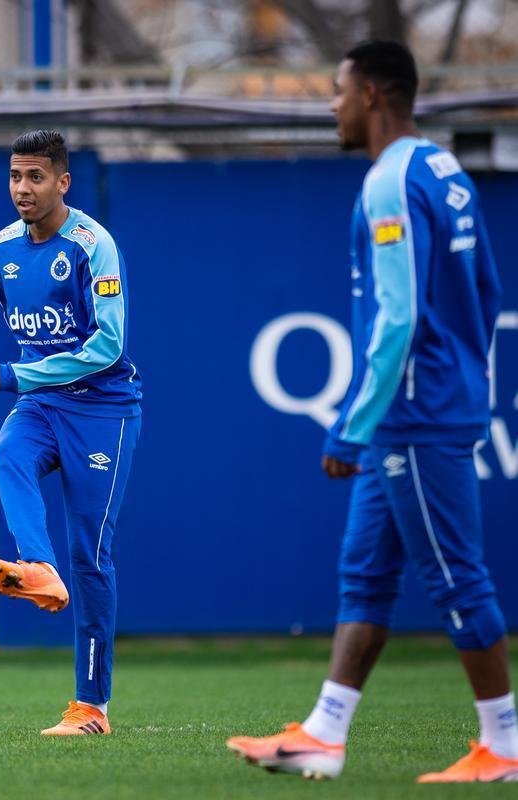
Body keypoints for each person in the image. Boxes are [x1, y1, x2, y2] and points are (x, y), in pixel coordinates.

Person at [227, 41, 514, 783]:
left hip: (413, 415)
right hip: (421, 407)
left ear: (376, 96)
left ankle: (505, 744)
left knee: (458, 581)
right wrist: (464, 379)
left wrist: (354, 423)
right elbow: (485, 293)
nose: (332, 105)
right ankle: (324, 734)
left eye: (338, 90)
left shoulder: (388, 183)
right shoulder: (444, 169)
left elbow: (396, 319)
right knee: (365, 576)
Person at [0, 130, 142, 736]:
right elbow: (29, 331)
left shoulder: (95, 245)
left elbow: (109, 345)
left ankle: (91, 708)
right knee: (7, 454)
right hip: (43, 404)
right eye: (15, 176)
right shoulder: (1, 248)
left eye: (36, 177)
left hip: (103, 409)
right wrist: (29, 378)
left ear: (63, 182)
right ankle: (36, 566)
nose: (23, 188)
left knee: (90, 557)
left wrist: (17, 374)